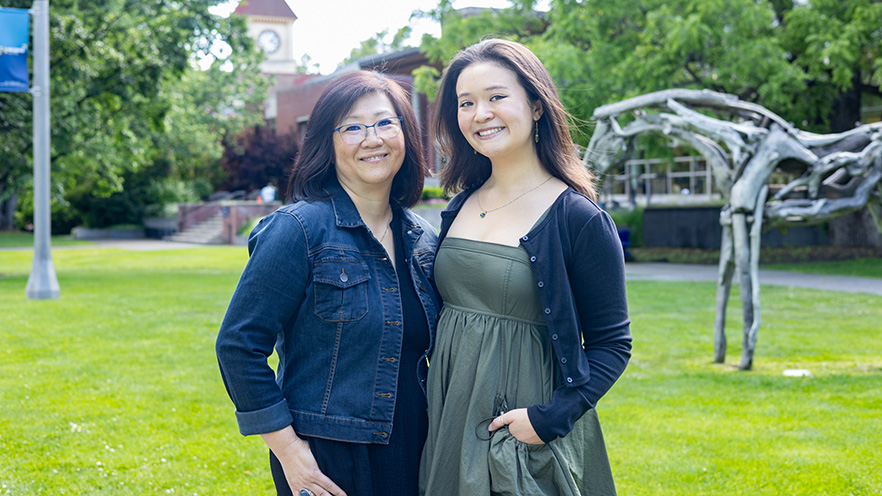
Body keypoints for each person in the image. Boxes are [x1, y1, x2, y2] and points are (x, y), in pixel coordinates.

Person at [419, 39, 632, 495]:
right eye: (466, 103)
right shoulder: (458, 205)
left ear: (536, 106)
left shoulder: (577, 217)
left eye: (497, 97)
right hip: (449, 415)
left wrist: (547, 419)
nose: (481, 114)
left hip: (519, 426)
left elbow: (613, 343)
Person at [216, 71, 439, 496]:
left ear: (406, 134)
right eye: (352, 127)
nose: (372, 138)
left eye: (384, 123)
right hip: (327, 459)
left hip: (417, 449)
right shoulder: (298, 230)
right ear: (327, 142)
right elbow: (238, 346)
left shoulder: (423, 241)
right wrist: (289, 452)